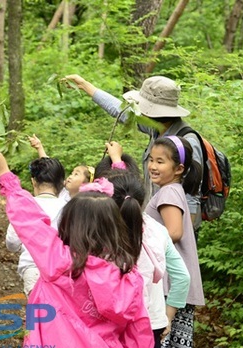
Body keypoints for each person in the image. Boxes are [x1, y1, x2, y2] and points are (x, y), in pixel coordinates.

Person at [0, 148, 154, 348]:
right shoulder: (128, 277)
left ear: (69, 224)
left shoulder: (58, 263)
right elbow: (140, 346)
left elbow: (30, 223)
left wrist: (6, 177)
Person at [63, 74, 204, 232]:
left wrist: (185, 234)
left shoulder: (187, 141)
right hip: (155, 225)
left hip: (173, 231)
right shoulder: (156, 129)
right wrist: (86, 86)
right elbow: (121, 112)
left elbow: (192, 195)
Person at [104, 168, 191, 348]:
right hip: (151, 322)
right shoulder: (159, 231)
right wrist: (166, 317)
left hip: (110, 325)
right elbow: (182, 277)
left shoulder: (102, 232)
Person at [144, 136, 204, 348]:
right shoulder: (173, 190)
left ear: (178, 169)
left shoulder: (168, 193)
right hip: (175, 284)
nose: (153, 166)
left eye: (160, 161)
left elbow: (174, 232)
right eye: (151, 159)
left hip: (170, 285)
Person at [5, 157, 66, 296]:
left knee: (39, 314)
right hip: (60, 270)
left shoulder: (24, 205)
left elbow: (12, 243)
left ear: (33, 181)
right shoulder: (69, 207)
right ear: (61, 183)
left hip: (32, 268)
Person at [28, 134, 94, 201]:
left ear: (87, 184)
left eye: (76, 174)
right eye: (71, 173)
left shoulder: (85, 201)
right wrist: (39, 147)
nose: (70, 176)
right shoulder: (63, 192)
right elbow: (49, 167)